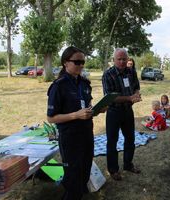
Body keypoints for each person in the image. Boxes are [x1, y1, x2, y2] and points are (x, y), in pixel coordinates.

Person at [47, 46, 98, 200]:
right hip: (70, 138)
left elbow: (86, 108)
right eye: (77, 62)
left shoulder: (84, 83)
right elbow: (51, 118)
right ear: (65, 63)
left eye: (83, 62)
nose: (81, 65)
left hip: (87, 133)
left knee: (85, 171)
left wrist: (97, 109)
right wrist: (75, 115)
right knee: (73, 176)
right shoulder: (59, 86)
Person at [102, 48, 141, 181]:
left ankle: (128, 164)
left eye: (124, 59)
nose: (122, 61)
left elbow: (136, 86)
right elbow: (110, 97)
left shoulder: (131, 71)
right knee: (112, 142)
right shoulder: (108, 74)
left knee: (130, 139)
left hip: (128, 111)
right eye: (119, 59)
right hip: (114, 112)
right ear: (114, 60)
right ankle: (113, 170)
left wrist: (136, 93)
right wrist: (130, 98)